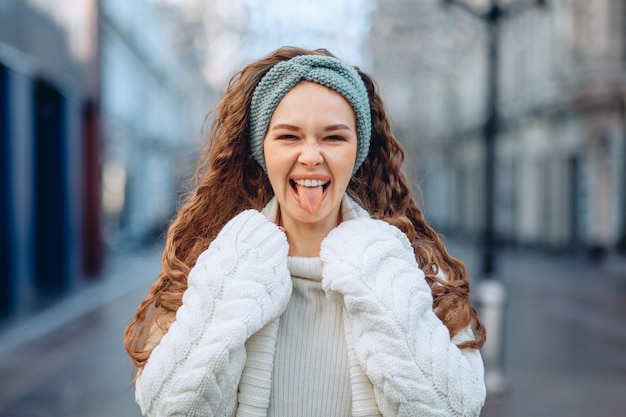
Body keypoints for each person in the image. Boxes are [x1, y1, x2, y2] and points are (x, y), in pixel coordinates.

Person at [124, 46, 487, 417]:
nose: (311, 156)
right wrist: (233, 283)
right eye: (289, 137)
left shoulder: (410, 271)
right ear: (261, 150)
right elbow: (165, 408)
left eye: (333, 138)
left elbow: (458, 409)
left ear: (357, 151)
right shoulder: (215, 266)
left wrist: (375, 278)